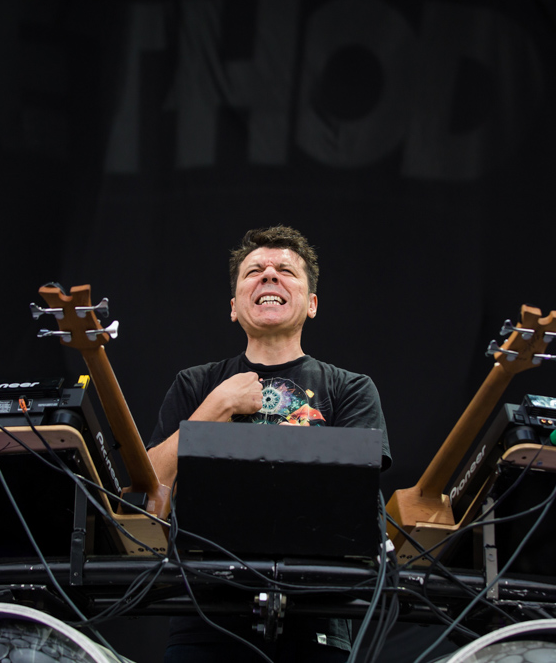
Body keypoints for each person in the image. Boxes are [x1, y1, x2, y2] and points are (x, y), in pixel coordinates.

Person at [147, 225, 392, 663]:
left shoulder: (352, 389)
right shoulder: (196, 384)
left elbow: (354, 510)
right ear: (233, 307)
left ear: (312, 303)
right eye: (254, 271)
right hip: (204, 616)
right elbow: (150, 497)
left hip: (318, 616)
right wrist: (214, 407)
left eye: (285, 271)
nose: (269, 277)